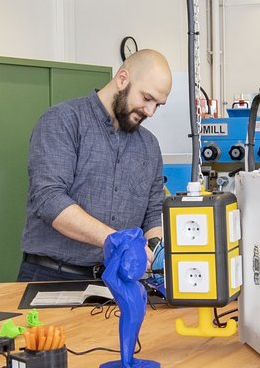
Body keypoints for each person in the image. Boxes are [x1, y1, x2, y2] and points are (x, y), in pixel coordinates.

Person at [19, 49, 171, 281]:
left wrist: (156, 258)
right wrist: (115, 240)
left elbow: (152, 214)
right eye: (147, 98)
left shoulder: (149, 146)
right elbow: (49, 199)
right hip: (53, 276)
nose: (150, 112)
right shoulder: (64, 121)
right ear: (122, 79)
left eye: (158, 105)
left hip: (118, 280)